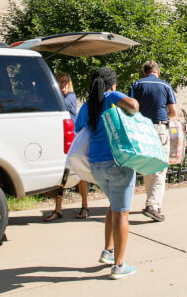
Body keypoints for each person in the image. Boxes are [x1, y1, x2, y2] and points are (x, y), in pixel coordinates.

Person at [75, 67, 140, 280]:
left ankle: (108, 251)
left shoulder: (87, 105)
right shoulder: (111, 96)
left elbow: (79, 132)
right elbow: (134, 106)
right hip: (118, 161)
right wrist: (114, 96)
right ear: (112, 84)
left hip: (96, 165)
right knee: (122, 212)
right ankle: (118, 266)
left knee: (113, 206)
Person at [129, 61, 177, 223]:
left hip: (142, 129)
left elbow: (130, 109)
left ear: (144, 72)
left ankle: (152, 202)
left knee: (148, 165)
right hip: (159, 127)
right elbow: (173, 112)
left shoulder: (135, 85)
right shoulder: (165, 86)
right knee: (160, 167)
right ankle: (153, 205)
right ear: (158, 72)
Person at [44, 72, 90, 222]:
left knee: (81, 174)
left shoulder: (69, 97)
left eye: (65, 82)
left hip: (74, 142)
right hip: (61, 142)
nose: (63, 85)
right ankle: (58, 208)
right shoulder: (57, 97)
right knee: (61, 177)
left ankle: (85, 206)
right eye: (60, 82)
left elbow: (59, 106)